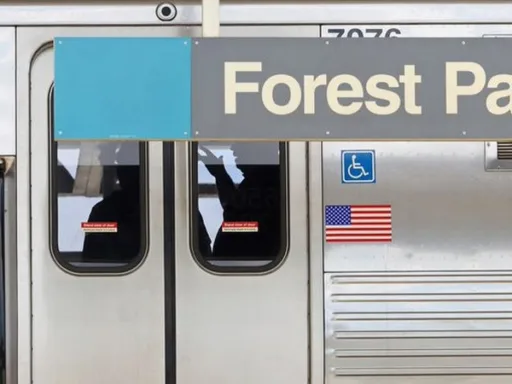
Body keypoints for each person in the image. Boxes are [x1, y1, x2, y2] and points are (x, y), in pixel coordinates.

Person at [199, 142, 281, 260]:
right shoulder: (259, 180)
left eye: (241, 142)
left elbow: (242, 218)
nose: (233, 148)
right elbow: (236, 207)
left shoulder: (271, 182)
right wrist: (220, 174)